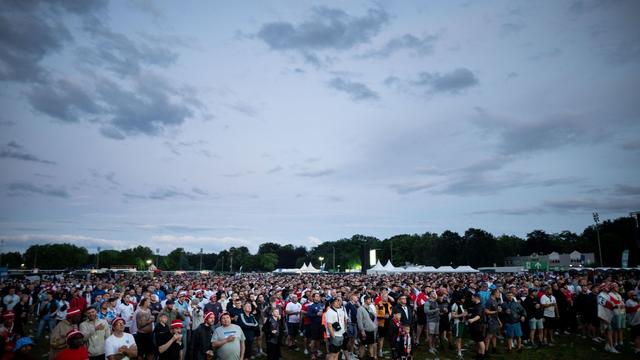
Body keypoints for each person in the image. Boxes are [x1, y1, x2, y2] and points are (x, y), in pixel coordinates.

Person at [357, 295, 378, 360]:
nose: (371, 301)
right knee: (362, 345)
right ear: (366, 300)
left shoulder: (370, 308)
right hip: (365, 330)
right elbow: (359, 320)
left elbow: (373, 318)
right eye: (369, 300)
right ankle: (360, 357)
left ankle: (371, 357)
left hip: (371, 329)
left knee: (371, 344)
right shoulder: (360, 309)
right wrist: (362, 331)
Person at [467, 293, 486, 359]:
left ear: (476, 298)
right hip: (476, 326)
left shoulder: (479, 306)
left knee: (480, 340)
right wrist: (470, 315)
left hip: (479, 326)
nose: (471, 299)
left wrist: (472, 319)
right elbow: (476, 314)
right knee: (478, 341)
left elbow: (478, 316)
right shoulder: (476, 305)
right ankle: (479, 354)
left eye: (472, 298)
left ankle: (482, 355)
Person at [484, 289, 501, 354]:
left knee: (494, 335)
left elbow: (496, 313)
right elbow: (486, 311)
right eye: (498, 293)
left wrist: (499, 321)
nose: (499, 294)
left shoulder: (495, 301)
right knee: (489, 336)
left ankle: (494, 349)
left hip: (495, 320)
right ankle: (486, 351)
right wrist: (495, 311)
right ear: (494, 293)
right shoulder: (489, 301)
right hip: (490, 321)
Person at [625, 290, 640, 355]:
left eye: (635, 294)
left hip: (638, 321)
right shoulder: (628, 302)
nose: (635, 295)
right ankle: (637, 350)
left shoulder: (636, 301)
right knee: (638, 336)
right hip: (634, 322)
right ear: (630, 295)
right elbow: (632, 309)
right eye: (633, 294)